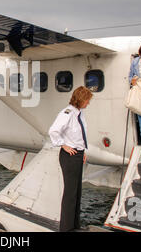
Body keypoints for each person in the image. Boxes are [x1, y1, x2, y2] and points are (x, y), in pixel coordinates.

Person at [48, 86, 93, 232]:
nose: (88, 103)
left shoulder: (79, 113)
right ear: (80, 100)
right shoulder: (67, 113)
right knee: (70, 193)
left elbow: (79, 135)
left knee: (77, 191)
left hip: (78, 154)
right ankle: (66, 228)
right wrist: (63, 145)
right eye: (87, 100)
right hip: (70, 156)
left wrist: (83, 150)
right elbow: (53, 131)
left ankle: (75, 225)